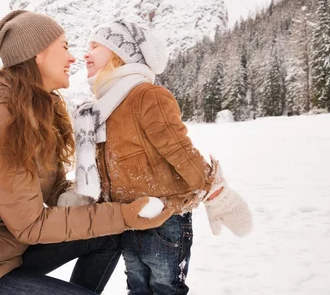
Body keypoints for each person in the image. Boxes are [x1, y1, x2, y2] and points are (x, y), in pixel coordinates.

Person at [0, 10, 174, 295]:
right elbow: (31, 226)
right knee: (114, 222)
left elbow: (55, 188)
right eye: (65, 47)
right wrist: (123, 214)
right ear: (37, 54)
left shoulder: (34, 109)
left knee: (108, 235)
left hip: (9, 253)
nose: (73, 58)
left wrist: (104, 196)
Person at [59, 18, 253, 295]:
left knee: (165, 289)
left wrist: (216, 193)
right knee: (137, 288)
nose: (85, 54)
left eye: (95, 47)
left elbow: (179, 150)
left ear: (120, 53)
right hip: (127, 218)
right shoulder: (98, 109)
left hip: (165, 219)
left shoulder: (146, 96)